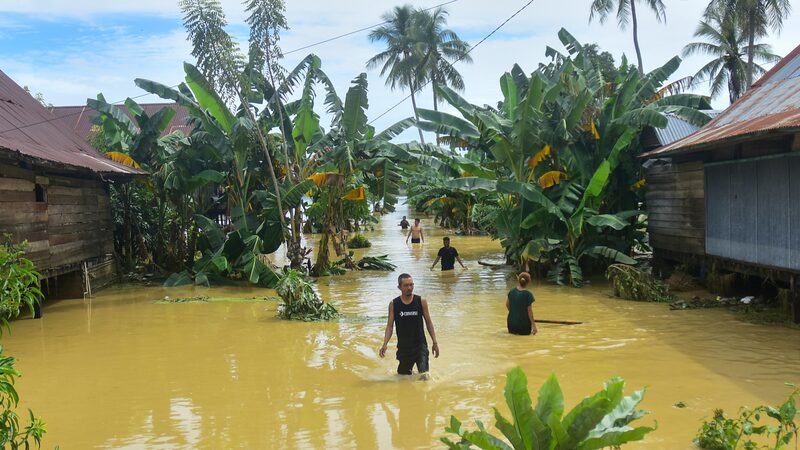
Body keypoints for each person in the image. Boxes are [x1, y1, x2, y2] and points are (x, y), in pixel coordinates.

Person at [379, 274, 440, 379]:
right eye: (406, 285)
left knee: (425, 376)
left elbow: (429, 322)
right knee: (403, 378)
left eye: (411, 285)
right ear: (399, 287)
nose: (409, 288)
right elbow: (390, 326)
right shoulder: (394, 304)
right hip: (404, 348)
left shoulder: (421, 301)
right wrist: (385, 344)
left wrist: (434, 342)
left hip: (420, 346)